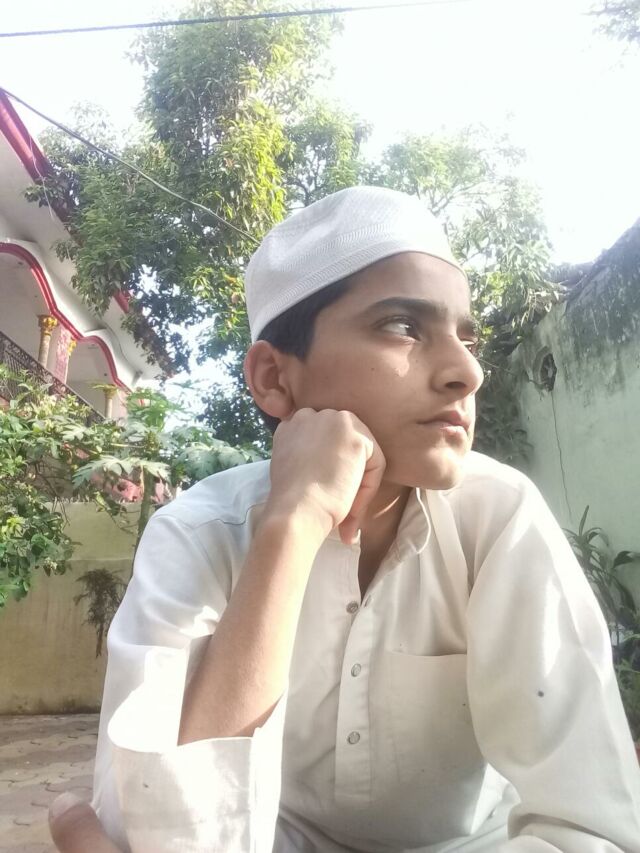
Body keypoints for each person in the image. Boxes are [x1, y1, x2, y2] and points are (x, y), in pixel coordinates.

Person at [53, 187, 640, 852]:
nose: (467, 371)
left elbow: (591, 828)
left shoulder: (499, 517)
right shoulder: (199, 535)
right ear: (274, 378)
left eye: (467, 336)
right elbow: (162, 832)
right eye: (402, 325)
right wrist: (292, 525)